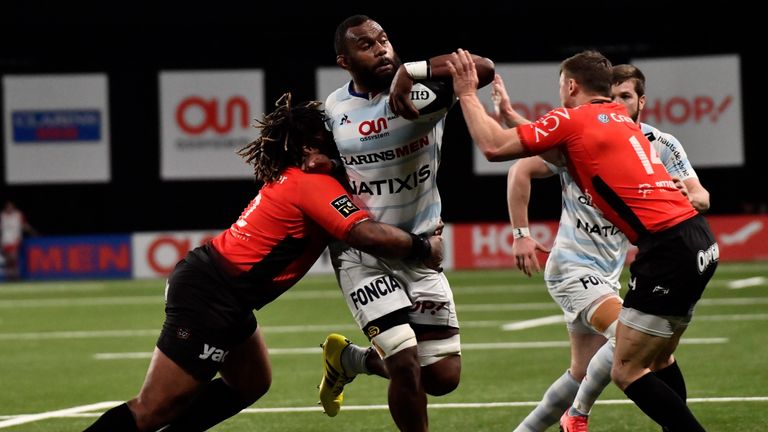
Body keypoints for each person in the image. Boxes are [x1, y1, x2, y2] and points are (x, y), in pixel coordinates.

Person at [83, 93, 445, 432]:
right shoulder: (310, 184)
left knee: (251, 383)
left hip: (224, 292)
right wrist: (424, 247)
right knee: (154, 407)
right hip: (211, 294)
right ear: (309, 147)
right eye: (328, 133)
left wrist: (335, 162)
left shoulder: (306, 176)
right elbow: (366, 235)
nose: (337, 136)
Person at [448, 49, 718, 432]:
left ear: (571, 86)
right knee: (649, 359)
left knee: (627, 368)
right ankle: (568, 417)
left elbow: (494, 147)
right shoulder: (625, 127)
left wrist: (466, 93)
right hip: (697, 242)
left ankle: (576, 414)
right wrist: (510, 117)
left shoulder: (574, 120)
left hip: (665, 250)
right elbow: (544, 155)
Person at [316, 14, 494, 432]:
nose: (380, 49)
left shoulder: (423, 91)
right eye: (366, 45)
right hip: (364, 253)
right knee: (405, 364)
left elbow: (482, 67)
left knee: (443, 378)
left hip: (421, 247)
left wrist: (408, 72)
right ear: (344, 61)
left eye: (383, 40)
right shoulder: (335, 108)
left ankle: (349, 360)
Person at [1, 200, 36, 280]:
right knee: (8, 260)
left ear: (13, 207)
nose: (9, 208)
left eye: (10, 206)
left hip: (15, 240)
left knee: (14, 257)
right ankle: (10, 276)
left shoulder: (18, 215)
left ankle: (16, 276)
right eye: (7, 207)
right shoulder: (2, 216)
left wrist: (33, 232)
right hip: (5, 241)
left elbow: (25, 225)